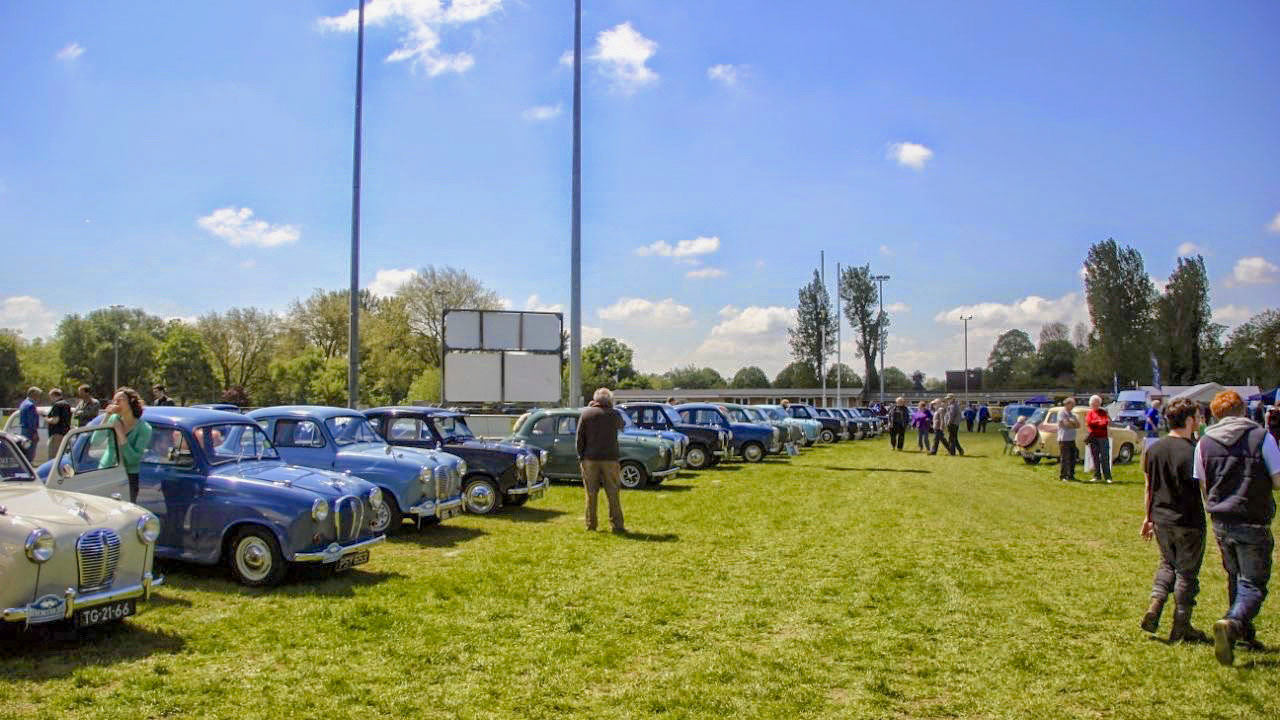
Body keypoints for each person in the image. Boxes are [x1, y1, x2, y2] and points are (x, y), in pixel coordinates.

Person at [1193, 390, 1280, 666]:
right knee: (1254, 583)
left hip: (1221, 519)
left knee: (1236, 577)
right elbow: (1277, 479)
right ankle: (1233, 624)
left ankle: (1243, 633)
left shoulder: (1204, 442)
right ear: (1242, 409)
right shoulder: (1261, 437)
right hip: (1252, 517)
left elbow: (1203, 482)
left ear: (1215, 414)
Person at [1139, 398, 1210, 643]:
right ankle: (1182, 626)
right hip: (1188, 521)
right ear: (1190, 420)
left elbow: (1149, 487)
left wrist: (1147, 518)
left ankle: (1155, 607)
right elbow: (1205, 489)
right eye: (1198, 418)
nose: (1200, 422)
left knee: (1167, 565)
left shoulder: (1153, 449)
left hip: (1161, 519)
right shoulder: (1194, 451)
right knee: (1186, 574)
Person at [577, 387, 625, 534]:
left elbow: (579, 438)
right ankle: (617, 525)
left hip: (590, 459)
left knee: (591, 493)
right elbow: (622, 426)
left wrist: (581, 457)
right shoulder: (614, 414)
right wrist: (610, 407)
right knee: (613, 493)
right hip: (610, 459)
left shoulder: (586, 414)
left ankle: (591, 524)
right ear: (609, 400)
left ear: (595, 400)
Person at [99, 387, 154, 503]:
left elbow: (133, 460)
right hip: (106, 470)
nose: (116, 403)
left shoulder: (144, 428)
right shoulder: (113, 418)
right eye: (114, 400)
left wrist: (120, 434)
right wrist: (106, 416)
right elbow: (95, 441)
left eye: (120, 399)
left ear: (131, 402)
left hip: (128, 476)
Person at [1085, 395, 1113, 483]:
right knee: (1095, 457)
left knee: (1105, 457)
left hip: (1103, 437)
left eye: (1097, 403)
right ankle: (1097, 476)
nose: (1095, 405)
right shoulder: (1089, 413)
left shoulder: (1103, 412)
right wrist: (1098, 422)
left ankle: (1108, 477)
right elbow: (1089, 423)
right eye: (1093, 403)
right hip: (1093, 437)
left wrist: (1097, 423)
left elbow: (1105, 422)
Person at [45, 388, 72, 460]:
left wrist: (47, 419)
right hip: (65, 433)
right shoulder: (67, 404)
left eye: (50, 397)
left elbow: (55, 420)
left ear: (53, 395)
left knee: (53, 456)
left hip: (57, 434)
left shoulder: (57, 405)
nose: (50, 399)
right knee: (62, 456)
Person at [16, 387, 41, 461]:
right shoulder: (31, 405)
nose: (39, 397)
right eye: (38, 395)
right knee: (30, 453)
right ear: (34, 395)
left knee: (25, 451)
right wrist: (35, 433)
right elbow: (31, 421)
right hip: (30, 431)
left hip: (24, 430)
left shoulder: (23, 403)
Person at [1058, 399, 1080, 482]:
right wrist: (1072, 423)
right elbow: (1066, 424)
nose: (1073, 406)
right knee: (1065, 458)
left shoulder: (1072, 414)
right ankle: (1063, 476)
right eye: (1072, 404)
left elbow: (1078, 425)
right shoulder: (1062, 413)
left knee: (1072, 457)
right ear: (1067, 404)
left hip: (1072, 439)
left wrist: (1072, 423)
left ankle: (1071, 475)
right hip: (1064, 439)